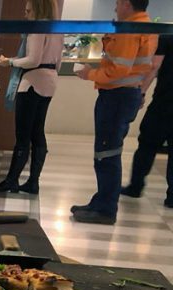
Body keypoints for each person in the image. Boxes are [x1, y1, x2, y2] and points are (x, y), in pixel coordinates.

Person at [71, 0, 158, 224]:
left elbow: (118, 69)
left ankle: (105, 209)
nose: (115, 8)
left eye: (118, 3)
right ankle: (101, 201)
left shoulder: (129, 30)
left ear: (127, 4)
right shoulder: (146, 26)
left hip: (117, 96)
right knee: (108, 151)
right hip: (126, 95)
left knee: (106, 153)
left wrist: (89, 73)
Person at [0, 0, 63, 195]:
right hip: (50, 81)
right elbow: (59, 62)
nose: (26, 15)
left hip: (32, 82)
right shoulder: (58, 30)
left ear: (38, 8)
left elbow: (33, 60)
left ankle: (12, 180)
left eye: (28, 10)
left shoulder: (36, 28)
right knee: (38, 132)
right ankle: (33, 181)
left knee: (22, 135)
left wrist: (9, 62)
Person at [120, 34, 172, 208]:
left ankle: (136, 186)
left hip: (165, 102)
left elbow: (155, 65)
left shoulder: (167, 38)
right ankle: (172, 196)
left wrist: (141, 92)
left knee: (147, 143)